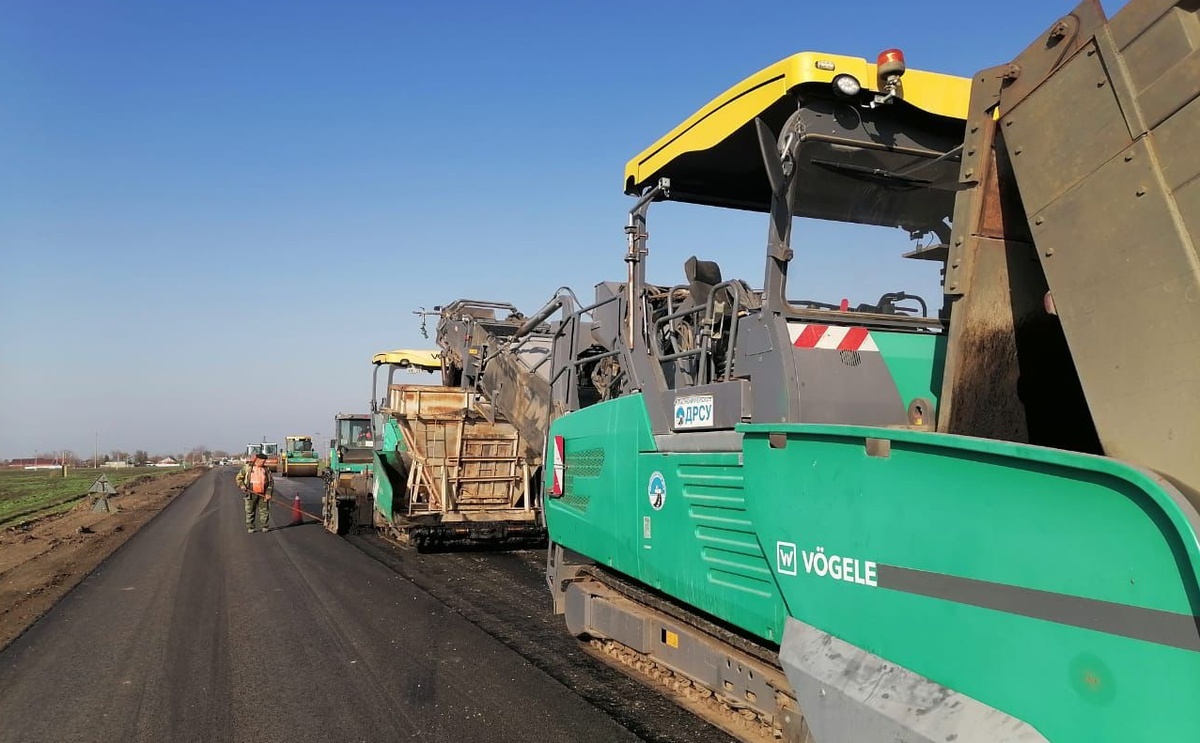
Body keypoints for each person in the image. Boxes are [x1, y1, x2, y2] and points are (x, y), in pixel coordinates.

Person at [236, 452, 274, 533]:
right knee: (249, 511)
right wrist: (242, 485)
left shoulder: (266, 469)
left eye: (264, 462)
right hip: (250, 493)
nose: (263, 463)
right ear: (257, 460)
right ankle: (250, 527)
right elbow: (239, 478)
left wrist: (268, 493)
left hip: (263, 494)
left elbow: (271, 482)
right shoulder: (247, 468)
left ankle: (264, 526)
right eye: (262, 461)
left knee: (264, 511)